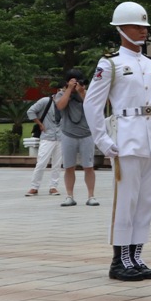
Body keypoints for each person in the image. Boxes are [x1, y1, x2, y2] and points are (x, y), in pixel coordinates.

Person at [83, 1, 151, 281]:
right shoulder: (110, 63)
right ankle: (119, 260)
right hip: (125, 138)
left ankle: (136, 256)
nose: (143, 31)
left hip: (150, 138)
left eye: (145, 27)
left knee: (145, 200)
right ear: (121, 29)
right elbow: (92, 104)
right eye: (137, 26)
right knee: (126, 200)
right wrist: (102, 138)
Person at [55, 67, 98, 207]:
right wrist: (68, 90)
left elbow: (93, 108)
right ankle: (69, 196)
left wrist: (81, 91)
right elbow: (60, 106)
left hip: (86, 134)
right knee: (69, 167)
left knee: (89, 167)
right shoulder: (61, 94)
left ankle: (91, 196)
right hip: (68, 134)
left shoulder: (87, 94)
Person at [25, 84, 64, 197]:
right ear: (57, 91)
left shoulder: (66, 104)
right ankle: (34, 187)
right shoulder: (45, 101)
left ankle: (53, 187)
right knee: (42, 162)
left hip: (61, 136)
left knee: (57, 164)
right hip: (47, 136)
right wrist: (40, 124)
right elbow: (30, 111)